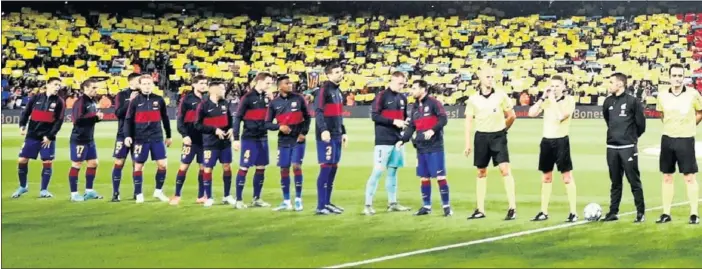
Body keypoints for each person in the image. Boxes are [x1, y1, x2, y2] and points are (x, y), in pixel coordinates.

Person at [463, 67, 518, 220]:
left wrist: (503, 130)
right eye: (487, 76)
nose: (490, 79)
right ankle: (480, 209)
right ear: (480, 78)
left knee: (504, 169)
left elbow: (512, 116)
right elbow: (468, 121)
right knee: (481, 172)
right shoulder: (473, 99)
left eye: (492, 77)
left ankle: (512, 207)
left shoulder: (501, 95)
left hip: (498, 136)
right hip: (481, 137)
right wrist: (467, 144)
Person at [396, 80, 452, 216]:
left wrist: (432, 130)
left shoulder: (434, 103)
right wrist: (402, 140)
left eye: (414, 88)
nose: (411, 91)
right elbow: (411, 127)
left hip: (435, 146)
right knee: (424, 177)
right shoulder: (414, 107)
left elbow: (443, 119)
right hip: (421, 147)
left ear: (423, 89)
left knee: (440, 176)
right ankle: (426, 207)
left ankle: (447, 207)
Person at [527, 75, 578, 222]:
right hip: (547, 141)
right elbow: (531, 113)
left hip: (561, 141)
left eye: (557, 86)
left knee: (566, 177)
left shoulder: (569, 101)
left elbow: (560, 116)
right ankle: (543, 211)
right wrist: (543, 97)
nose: (554, 89)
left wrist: (553, 100)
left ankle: (573, 212)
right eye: (552, 86)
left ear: (563, 87)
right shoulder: (547, 101)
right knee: (546, 177)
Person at [655, 63, 701, 224]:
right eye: (674, 76)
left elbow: (700, 112)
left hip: (686, 139)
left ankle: (694, 213)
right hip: (667, 139)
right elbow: (661, 114)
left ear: (684, 77)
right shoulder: (662, 95)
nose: (677, 79)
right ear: (669, 77)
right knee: (667, 176)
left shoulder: (693, 94)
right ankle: (666, 213)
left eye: (680, 76)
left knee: (689, 177)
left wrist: (689, 125)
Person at [363, 71, 412, 215]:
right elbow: (375, 116)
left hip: (397, 140)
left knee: (393, 171)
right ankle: (367, 204)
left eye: (403, 84)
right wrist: (393, 122)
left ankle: (393, 203)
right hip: (383, 140)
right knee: (378, 170)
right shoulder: (382, 96)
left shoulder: (403, 97)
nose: (402, 86)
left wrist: (405, 123)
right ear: (392, 80)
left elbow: (402, 118)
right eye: (399, 83)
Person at [601, 72, 646, 223]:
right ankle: (613, 212)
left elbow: (641, 125)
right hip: (612, 147)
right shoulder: (607, 102)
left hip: (628, 147)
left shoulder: (633, 101)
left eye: (611, 82)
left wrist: (630, 138)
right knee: (615, 182)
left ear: (620, 84)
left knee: (634, 181)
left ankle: (640, 212)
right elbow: (608, 121)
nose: (609, 85)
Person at [12, 77, 65, 199]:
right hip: (32, 135)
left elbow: (59, 121)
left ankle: (44, 190)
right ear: (48, 85)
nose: (57, 87)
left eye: (59, 85)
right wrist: (22, 125)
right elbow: (26, 112)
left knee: (47, 161)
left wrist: (50, 136)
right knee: (22, 160)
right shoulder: (36, 98)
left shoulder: (60, 101)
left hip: (47, 137)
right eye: (55, 84)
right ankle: (23, 186)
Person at [265, 75, 311, 211]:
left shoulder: (299, 98)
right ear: (280, 86)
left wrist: (303, 133)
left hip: (298, 140)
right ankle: (286, 201)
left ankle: (298, 199)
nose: (290, 84)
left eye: (291, 82)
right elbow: (267, 123)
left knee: (296, 166)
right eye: (287, 83)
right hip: (283, 141)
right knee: (284, 168)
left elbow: (307, 117)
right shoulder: (274, 104)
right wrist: (279, 127)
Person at [123, 75, 172, 204]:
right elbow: (128, 120)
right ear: (140, 85)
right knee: (138, 166)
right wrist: (127, 135)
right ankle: (139, 193)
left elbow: (165, 119)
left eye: (149, 83)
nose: (147, 86)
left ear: (153, 85)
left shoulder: (159, 100)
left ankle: (158, 191)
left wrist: (169, 136)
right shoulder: (135, 101)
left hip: (156, 137)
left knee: (163, 165)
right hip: (140, 138)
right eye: (144, 84)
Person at [232, 72, 275, 209]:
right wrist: (236, 138)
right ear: (259, 81)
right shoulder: (248, 97)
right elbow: (238, 117)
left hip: (263, 137)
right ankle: (238, 199)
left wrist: (272, 101)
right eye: (268, 83)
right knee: (244, 167)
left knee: (261, 167)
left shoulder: (267, 98)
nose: (270, 86)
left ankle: (257, 198)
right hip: (249, 138)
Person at [314, 63, 349, 215]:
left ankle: (327, 203)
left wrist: (344, 132)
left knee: (333, 168)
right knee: (326, 167)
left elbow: (339, 114)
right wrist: (324, 130)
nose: (340, 74)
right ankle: (320, 206)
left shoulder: (338, 91)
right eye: (336, 72)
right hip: (326, 135)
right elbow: (318, 111)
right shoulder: (324, 90)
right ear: (328, 75)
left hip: (337, 134)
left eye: (341, 71)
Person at [170, 75, 209, 206]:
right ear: (194, 85)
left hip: (205, 140)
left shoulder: (208, 99)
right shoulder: (186, 100)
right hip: (190, 140)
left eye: (205, 83)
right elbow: (180, 120)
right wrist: (184, 135)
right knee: (184, 166)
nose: (204, 85)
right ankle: (176, 195)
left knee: (203, 168)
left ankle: (201, 196)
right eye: (201, 83)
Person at [194, 80, 234, 207]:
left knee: (227, 166)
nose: (224, 91)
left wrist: (232, 129)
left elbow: (230, 120)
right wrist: (214, 130)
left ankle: (227, 195)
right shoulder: (203, 106)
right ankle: (209, 197)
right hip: (210, 143)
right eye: (222, 89)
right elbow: (197, 125)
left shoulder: (225, 103)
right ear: (213, 90)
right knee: (208, 168)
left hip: (225, 142)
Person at [67, 78, 104, 202]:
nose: (96, 90)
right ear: (86, 88)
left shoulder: (92, 101)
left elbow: (89, 118)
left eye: (96, 87)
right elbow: (77, 120)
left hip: (89, 139)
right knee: (77, 164)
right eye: (93, 87)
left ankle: (89, 191)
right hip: (79, 139)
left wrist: (97, 118)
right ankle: (74, 194)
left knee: (93, 163)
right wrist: (94, 117)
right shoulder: (80, 102)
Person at [110, 73, 141, 202]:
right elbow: (118, 113)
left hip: (139, 135)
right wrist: (131, 102)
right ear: (131, 82)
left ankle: (137, 193)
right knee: (119, 163)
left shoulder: (145, 96)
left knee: (137, 164)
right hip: (123, 134)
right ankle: (115, 193)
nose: (140, 83)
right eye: (138, 81)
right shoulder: (121, 95)